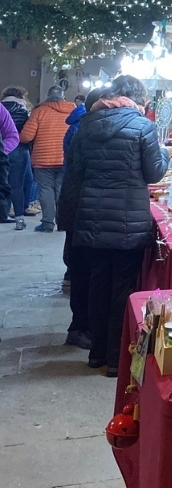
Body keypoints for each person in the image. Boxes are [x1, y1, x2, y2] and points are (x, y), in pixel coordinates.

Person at [66, 76, 169, 376]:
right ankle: (115, 358)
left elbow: (75, 172)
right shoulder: (143, 127)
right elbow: (154, 173)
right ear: (138, 99)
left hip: (92, 218)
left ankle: (96, 353)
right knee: (122, 288)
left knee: (97, 284)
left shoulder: (87, 125)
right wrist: (163, 152)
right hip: (127, 221)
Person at [57, 88, 104, 351]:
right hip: (80, 208)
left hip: (77, 206)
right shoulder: (84, 129)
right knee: (83, 272)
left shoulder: (81, 125)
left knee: (82, 270)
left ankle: (81, 326)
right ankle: (79, 328)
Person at [20, 85, 74, 232]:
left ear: (47, 96)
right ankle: (62, 223)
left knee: (46, 190)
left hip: (43, 160)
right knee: (61, 191)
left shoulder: (39, 111)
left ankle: (47, 223)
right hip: (65, 158)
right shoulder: (73, 111)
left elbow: (26, 137)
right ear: (63, 96)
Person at [2, 86, 32, 228]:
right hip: (19, 150)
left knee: (3, 182)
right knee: (17, 185)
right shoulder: (23, 110)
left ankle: (4, 212)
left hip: (2, 149)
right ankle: (19, 218)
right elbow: (27, 133)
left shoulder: (2, 108)